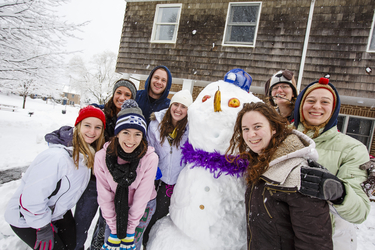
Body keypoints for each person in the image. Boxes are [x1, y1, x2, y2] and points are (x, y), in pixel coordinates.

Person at [226, 102, 334, 250]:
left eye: (257, 127)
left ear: (274, 128)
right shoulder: (259, 165)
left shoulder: (298, 174)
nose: (251, 134)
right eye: (246, 129)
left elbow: (313, 242)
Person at [5, 106, 106, 250]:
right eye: (87, 125)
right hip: (26, 217)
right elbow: (31, 199)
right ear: (78, 126)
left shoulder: (86, 155)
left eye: (98, 127)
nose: (92, 132)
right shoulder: (56, 157)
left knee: (72, 245)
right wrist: (42, 227)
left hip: (57, 212)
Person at [293, 77, 370, 250]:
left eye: (325, 102)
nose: (317, 106)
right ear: (300, 106)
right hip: (282, 237)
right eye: (310, 100)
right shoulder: (280, 139)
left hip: (331, 241)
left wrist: (339, 193)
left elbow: (360, 212)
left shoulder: (353, 149)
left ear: (334, 109)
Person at [76, 79, 138, 250]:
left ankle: (95, 248)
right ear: (113, 93)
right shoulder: (101, 113)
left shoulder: (133, 118)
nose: (122, 97)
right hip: (93, 179)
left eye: (127, 94)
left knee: (105, 224)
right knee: (81, 221)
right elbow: (83, 127)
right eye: (119, 92)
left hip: (114, 182)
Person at [95, 99, 158, 250]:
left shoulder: (149, 158)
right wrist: (115, 230)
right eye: (126, 133)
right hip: (115, 205)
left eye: (137, 134)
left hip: (143, 206)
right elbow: (105, 196)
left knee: (132, 244)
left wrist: (129, 232)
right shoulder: (102, 157)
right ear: (117, 133)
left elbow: (142, 196)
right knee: (112, 242)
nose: (131, 140)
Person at [142, 89, 193, 247]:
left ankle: (153, 244)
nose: (178, 109)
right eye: (175, 104)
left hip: (176, 181)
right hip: (156, 179)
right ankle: (142, 242)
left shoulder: (191, 129)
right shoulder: (156, 124)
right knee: (148, 215)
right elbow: (148, 148)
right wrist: (152, 167)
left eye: (183, 106)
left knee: (165, 218)